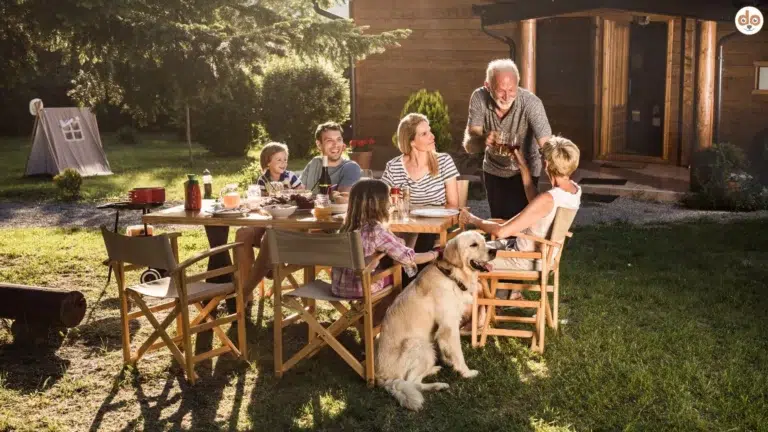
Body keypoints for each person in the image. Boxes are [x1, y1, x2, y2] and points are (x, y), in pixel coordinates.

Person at [460, 136, 581, 309]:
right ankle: (497, 300)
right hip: (542, 256)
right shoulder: (574, 191)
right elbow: (538, 204)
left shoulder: (548, 198)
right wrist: (523, 167)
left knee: (463, 258)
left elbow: (502, 231)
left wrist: (473, 219)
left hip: (524, 259)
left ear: (547, 164)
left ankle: (477, 314)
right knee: (479, 248)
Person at [463, 58, 553, 220]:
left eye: (512, 90)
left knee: (521, 223)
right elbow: (469, 146)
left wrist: (558, 179)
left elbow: (548, 146)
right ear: (487, 86)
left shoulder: (531, 104)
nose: (506, 96)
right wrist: (483, 139)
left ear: (518, 85)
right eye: (500, 90)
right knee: (498, 221)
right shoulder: (479, 98)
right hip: (493, 169)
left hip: (525, 170)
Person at [332, 179, 438, 299]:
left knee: (393, 257)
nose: (390, 201)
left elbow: (400, 252)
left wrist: (410, 237)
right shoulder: (375, 231)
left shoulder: (345, 228)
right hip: (363, 288)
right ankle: (394, 310)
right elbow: (409, 258)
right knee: (398, 268)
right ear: (376, 204)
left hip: (338, 287)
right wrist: (435, 254)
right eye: (387, 197)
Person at [235, 142, 304, 303]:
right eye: (278, 160)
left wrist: (291, 193)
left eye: (285, 160)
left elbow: (303, 192)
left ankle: (247, 288)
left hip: (287, 219)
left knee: (269, 237)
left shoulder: (290, 176)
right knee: (242, 233)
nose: (283, 163)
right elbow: (262, 201)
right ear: (268, 162)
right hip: (269, 217)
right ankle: (251, 284)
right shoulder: (263, 179)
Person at [382, 113, 460, 208]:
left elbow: (453, 205)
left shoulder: (444, 161)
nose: (432, 136)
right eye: (424, 134)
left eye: (429, 131)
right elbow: (381, 201)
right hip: (405, 222)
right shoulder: (393, 167)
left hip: (438, 221)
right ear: (412, 142)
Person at [300, 121, 362, 195]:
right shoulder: (315, 163)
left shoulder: (351, 167)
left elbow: (344, 199)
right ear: (319, 144)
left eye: (339, 139)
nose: (335, 145)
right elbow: (298, 190)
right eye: (329, 140)